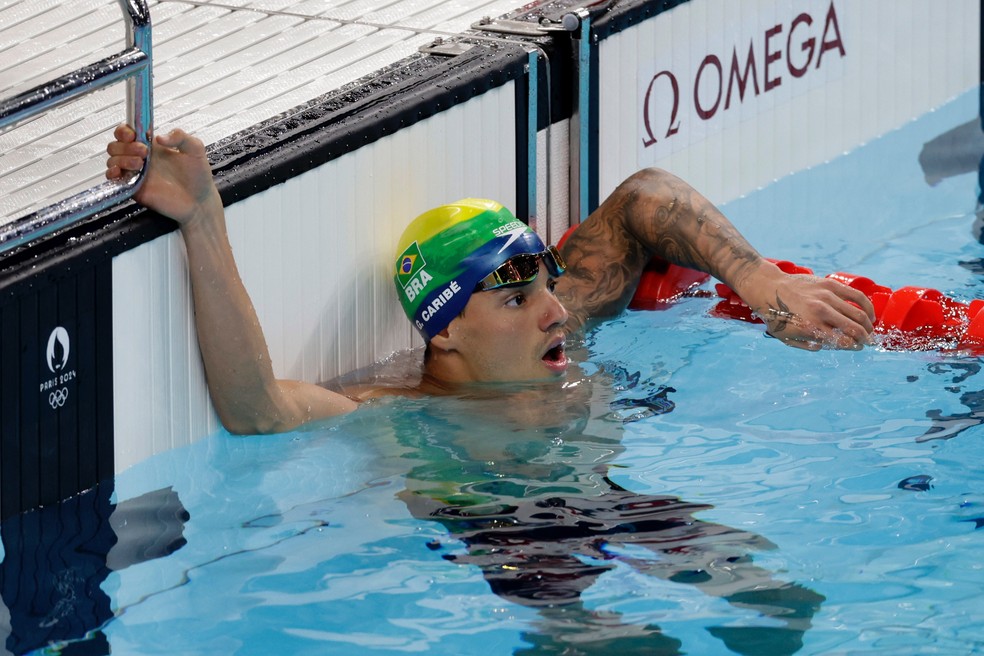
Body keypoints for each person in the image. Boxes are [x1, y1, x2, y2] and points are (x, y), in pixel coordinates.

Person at [105, 124, 875, 436]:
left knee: (777, 606)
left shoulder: (559, 320)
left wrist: (764, 282)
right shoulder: (400, 412)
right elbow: (255, 407)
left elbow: (644, 197)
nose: (554, 311)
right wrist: (202, 217)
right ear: (445, 332)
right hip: (514, 545)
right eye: (516, 298)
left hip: (626, 516)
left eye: (545, 283)